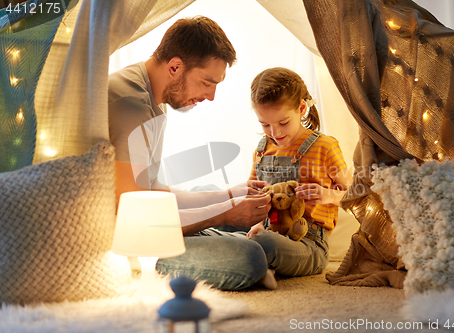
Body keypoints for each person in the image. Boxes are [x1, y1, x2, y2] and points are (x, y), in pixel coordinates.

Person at [108, 16, 272, 290]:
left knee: (216, 193)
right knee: (251, 257)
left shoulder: (154, 97)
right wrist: (223, 214)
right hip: (127, 238)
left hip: (144, 216)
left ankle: (221, 229)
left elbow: (153, 192)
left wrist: (229, 196)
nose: (211, 96)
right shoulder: (131, 105)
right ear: (174, 66)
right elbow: (137, 217)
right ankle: (223, 237)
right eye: (207, 83)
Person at [246, 67, 352, 288]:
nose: (274, 132)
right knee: (218, 217)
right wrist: (257, 224)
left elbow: (356, 194)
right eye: (265, 124)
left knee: (265, 244)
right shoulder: (262, 149)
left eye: (283, 123)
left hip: (309, 244)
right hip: (269, 229)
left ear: (301, 108)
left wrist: (328, 195)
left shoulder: (325, 146)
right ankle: (257, 259)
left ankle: (256, 259)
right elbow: (253, 196)